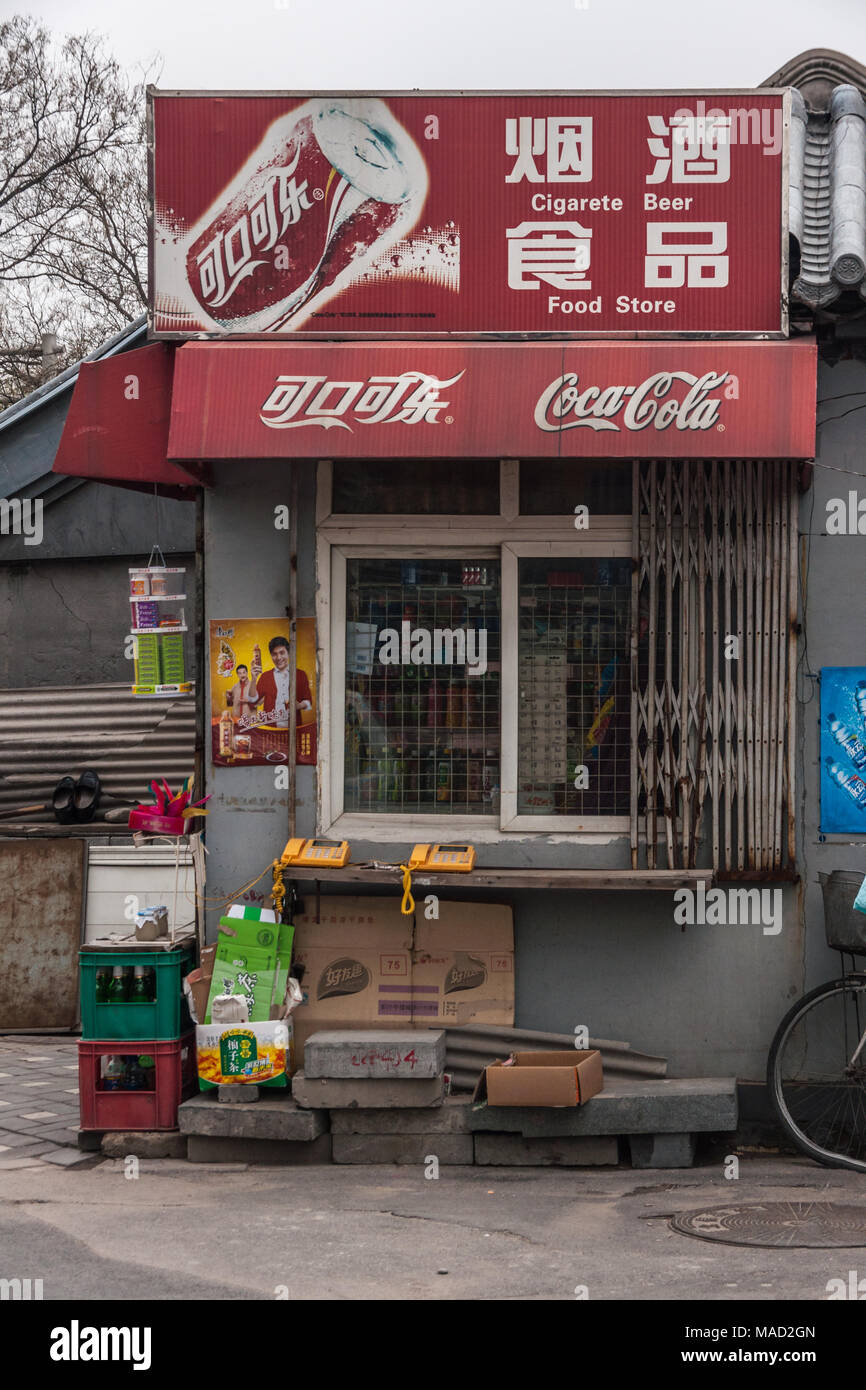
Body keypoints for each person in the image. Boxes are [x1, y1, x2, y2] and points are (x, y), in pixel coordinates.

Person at [251, 635, 312, 728]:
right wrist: (254, 679)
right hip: (270, 730)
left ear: (288, 653)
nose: (278, 657)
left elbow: (308, 700)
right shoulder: (265, 676)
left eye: (282, 652)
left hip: (294, 730)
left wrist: (299, 706)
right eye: (274, 654)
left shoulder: (300, 674)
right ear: (271, 656)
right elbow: (253, 700)